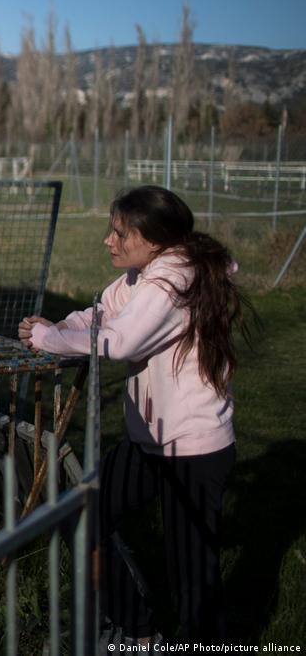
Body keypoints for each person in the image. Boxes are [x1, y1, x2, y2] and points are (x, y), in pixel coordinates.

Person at [18, 185, 252, 645]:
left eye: (121, 233)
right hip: (150, 441)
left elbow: (123, 341)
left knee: (192, 578)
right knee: (81, 516)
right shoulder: (144, 275)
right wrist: (60, 326)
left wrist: (49, 340)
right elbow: (102, 315)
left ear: (155, 239)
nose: (109, 240)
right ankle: (140, 633)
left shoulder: (174, 279)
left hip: (192, 448)